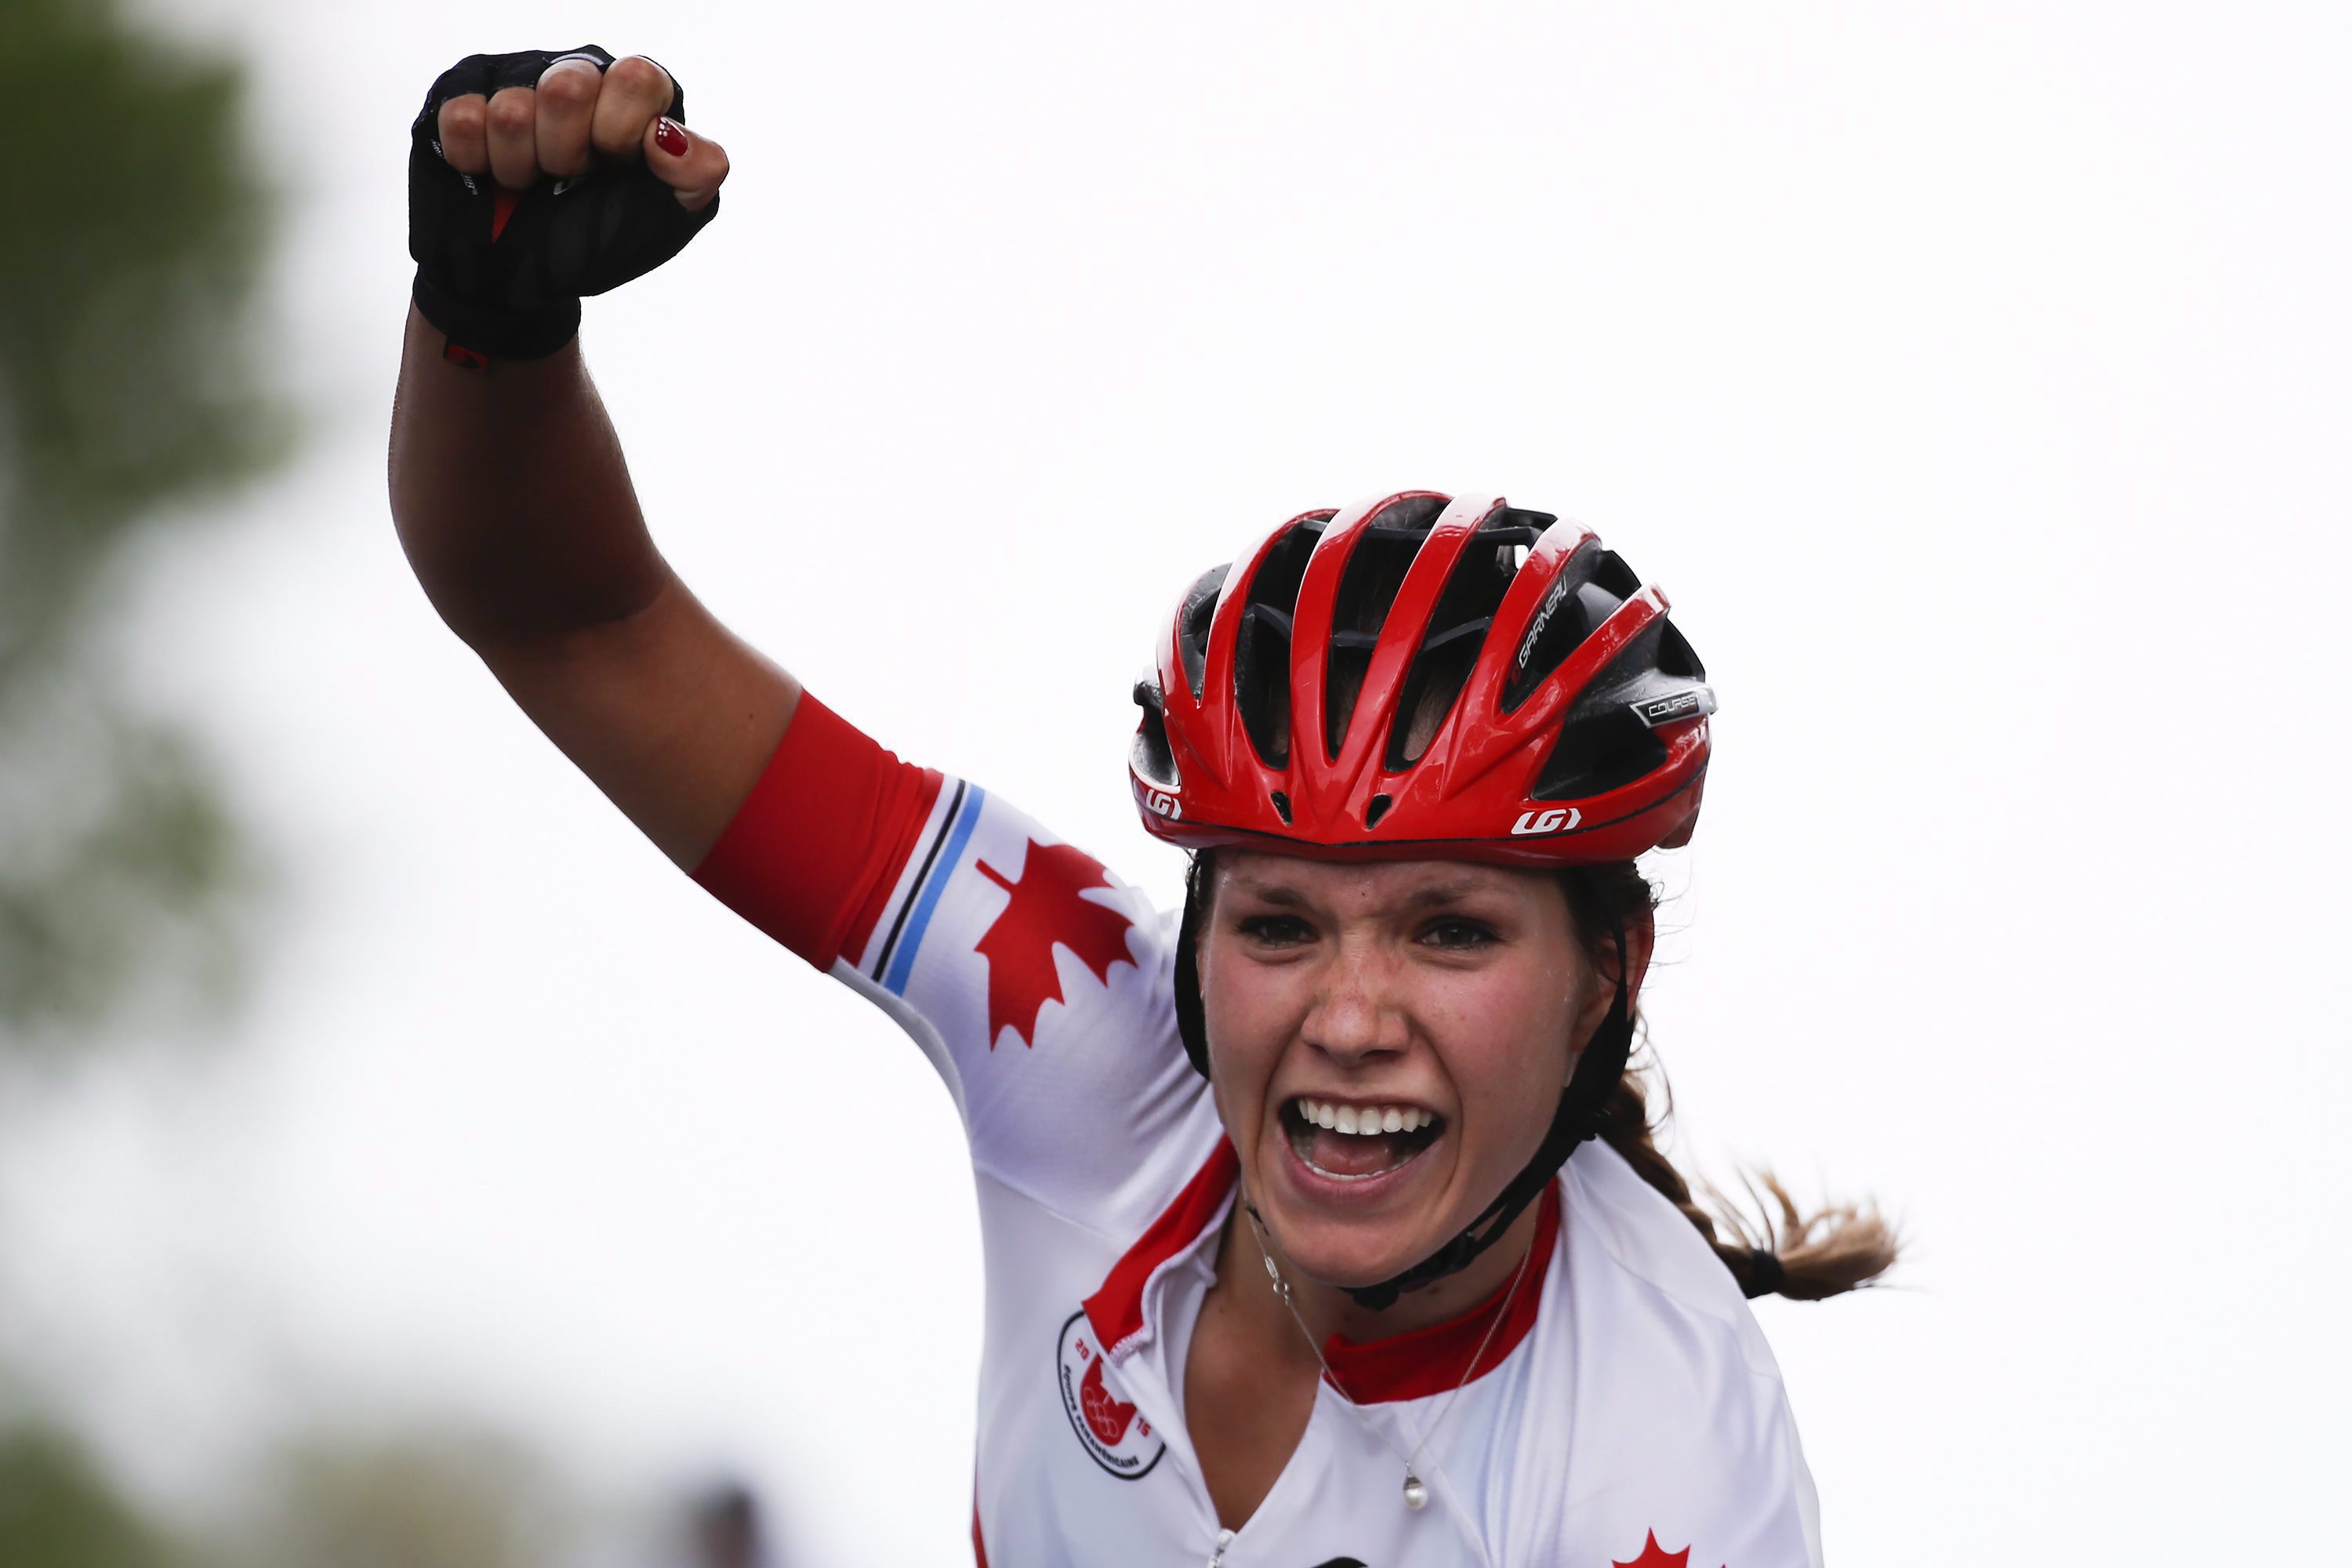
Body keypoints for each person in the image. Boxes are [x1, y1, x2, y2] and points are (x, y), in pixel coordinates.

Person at [389, 49, 1897, 1568]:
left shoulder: (1668, 1454)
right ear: (1189, 943)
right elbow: (574, 620)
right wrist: (489, 324)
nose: (1351, 1015)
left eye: (1448, 930)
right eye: (1282, 922)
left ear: (1607, 980)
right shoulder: (1076, 1011)